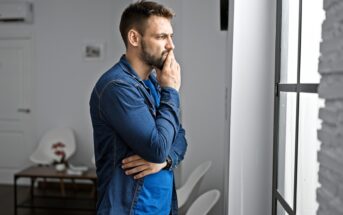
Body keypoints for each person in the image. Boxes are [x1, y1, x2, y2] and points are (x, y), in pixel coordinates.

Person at [89, 1, 188, 214]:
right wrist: (171, 90)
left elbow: (179, 137)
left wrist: (165, 161)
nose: (171, 45)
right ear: (134, 38)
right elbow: (158, 148)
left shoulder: (154, 83)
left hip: (161, 207)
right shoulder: (116, 87)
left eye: (171, 36)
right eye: (162, 37)